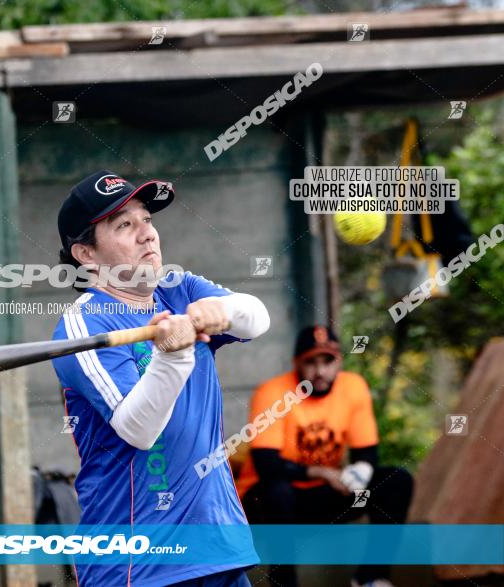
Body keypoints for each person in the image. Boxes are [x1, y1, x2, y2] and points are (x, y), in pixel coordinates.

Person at [51, 170, 271, 586]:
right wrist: (174, 354)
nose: (147, 234)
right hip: (139, 564)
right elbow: (138, 428)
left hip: (217, 546)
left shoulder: (178, 287)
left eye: (147, 220)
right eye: (125, 225)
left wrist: (223, 311)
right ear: (86, 254)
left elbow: (257, 319)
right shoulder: (84, 325)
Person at [237, 325, 414, 587]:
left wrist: (358, 475)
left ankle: (372, 577)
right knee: (277, 491)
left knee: (396, 480)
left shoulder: (353, 387)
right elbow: (267, 465)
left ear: (339, 361)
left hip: (324, 496)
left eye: (327, 361)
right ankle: (283, 582)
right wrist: (321, 472)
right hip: (268, 502)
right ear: (297, 362)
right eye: (311, 362)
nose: (320, 371)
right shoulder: (272, 393)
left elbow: (367, 452)